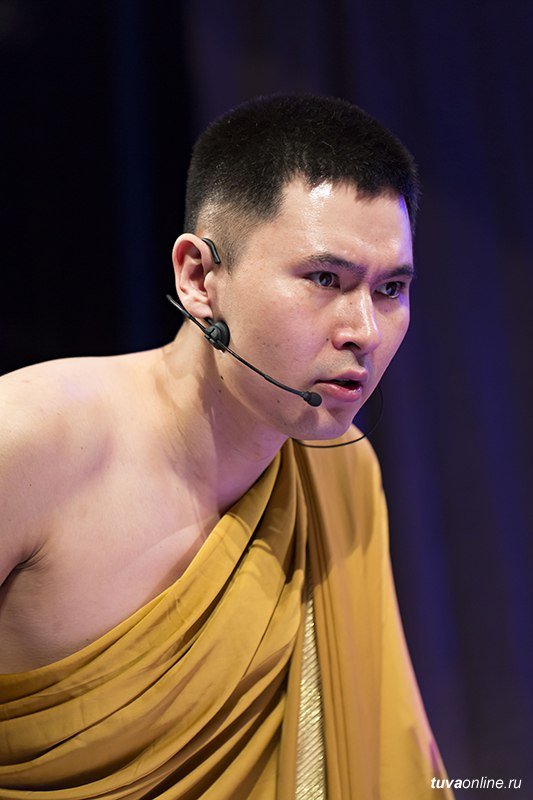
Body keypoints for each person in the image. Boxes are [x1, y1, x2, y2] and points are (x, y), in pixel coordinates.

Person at [0, 95, 453, 799]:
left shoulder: (341, 468)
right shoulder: (29, 441)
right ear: (199, 278)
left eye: (390, 288)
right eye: (325, 279)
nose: (363, 330)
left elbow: (397, 754)